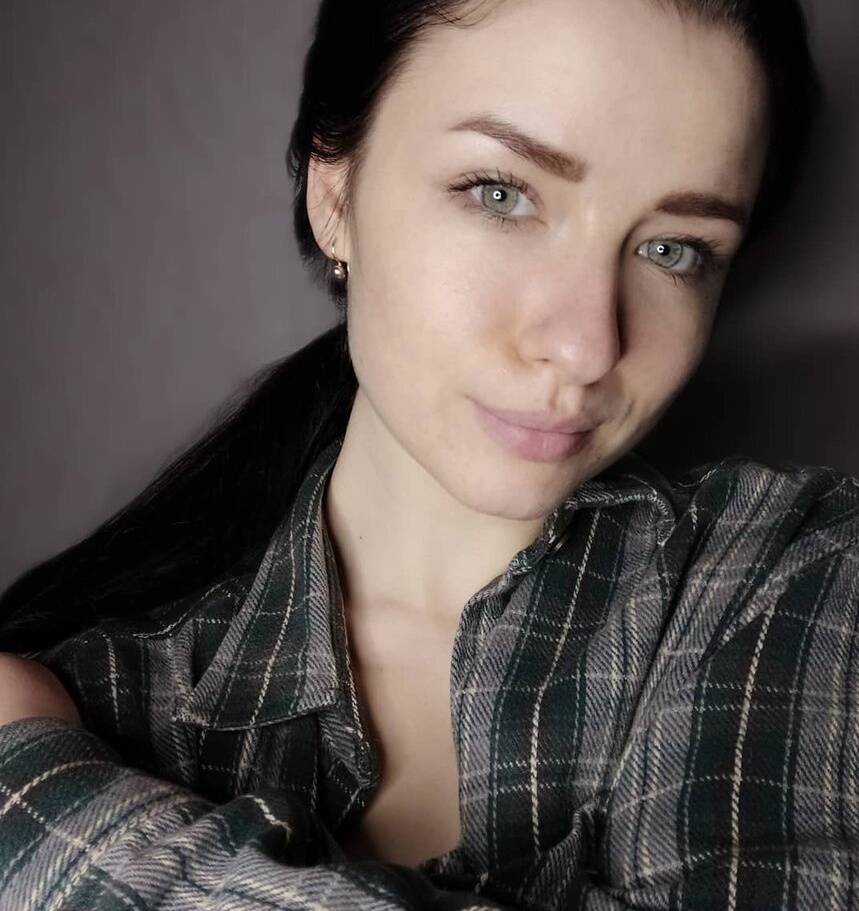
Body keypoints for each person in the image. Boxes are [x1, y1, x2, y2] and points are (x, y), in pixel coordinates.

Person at [0, 0, 855, 908]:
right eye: (500, 193)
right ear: (335, 196)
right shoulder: (107, 689)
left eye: (673, 249)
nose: (584, 345)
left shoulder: (795, 574)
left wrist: (49, 821)